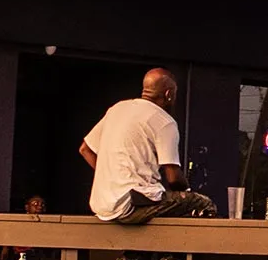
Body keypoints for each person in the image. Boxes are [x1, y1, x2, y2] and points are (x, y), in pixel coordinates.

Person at [78, 67, 216, 225]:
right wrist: (187, 190)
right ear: (169, 94)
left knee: (165, 201)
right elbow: (173, 178)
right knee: (203, 204)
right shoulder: (164, 121)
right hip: (132, 205)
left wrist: (112, 178)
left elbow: (85, 149)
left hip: (103, 206)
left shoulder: (117, 109)